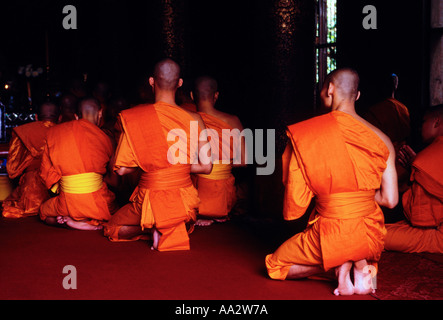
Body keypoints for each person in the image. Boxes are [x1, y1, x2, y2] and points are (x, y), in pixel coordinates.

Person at [265, 68, 398, 296]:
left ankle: (340, 262)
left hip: (329, 232)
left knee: (274, 266)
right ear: (357, 96)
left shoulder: (307, 134)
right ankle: (358, 265)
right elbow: (391, 200)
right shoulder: (383, 140)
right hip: (369, 236)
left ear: (329, 89)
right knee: (360, 244)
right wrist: (359, 196)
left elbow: (296, 196)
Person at [104, 58, 212, 251]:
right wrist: (176, 166)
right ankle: (168, 226)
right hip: (183, 201)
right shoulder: (195, 119)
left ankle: (151, 228)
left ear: (151, 82)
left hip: (148, 199)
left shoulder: (135, 118)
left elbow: (120, 171)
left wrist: (151, 162)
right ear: (179, 83)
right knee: (184, 221)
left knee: (112, 228)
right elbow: (207, 166)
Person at [39, 97, 118, 230]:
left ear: (76, 116)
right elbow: (115, 181)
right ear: (100, 113)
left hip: (67, 201)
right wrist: (94, 176)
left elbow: (46, 176)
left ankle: (70, 220)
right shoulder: (107, 138)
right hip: (99, 202)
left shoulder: (56, 133)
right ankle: (90, 222)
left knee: (44, 213)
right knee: (116, 212)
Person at [384, 104, 443, 253]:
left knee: (373, 235)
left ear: (436, 122)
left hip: (437, 236)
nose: (419, 128)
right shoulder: (429, 157)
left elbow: (419, 218)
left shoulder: (426, 160)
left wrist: (419, 170)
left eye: (423, 122)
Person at [191, 76, 246, 226]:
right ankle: (214, 211)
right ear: (216, 95)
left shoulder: (185, 120)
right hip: (223, 200)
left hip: (193, 197)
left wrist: (204, 167)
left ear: (191, 95)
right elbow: (243, 161)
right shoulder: (233, 121)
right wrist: (220, 166)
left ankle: (198, 211)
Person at [2, 102, 59, 218]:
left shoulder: (25, 132)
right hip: (57, 188)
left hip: (31, 191)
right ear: (60, 117)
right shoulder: (64, 132)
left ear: (36, 117)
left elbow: (12, 169)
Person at [364, 73, 410, 193]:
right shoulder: (403, 108)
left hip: (385, 161)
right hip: (402, 160)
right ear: (395, 86)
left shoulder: (374, 110)